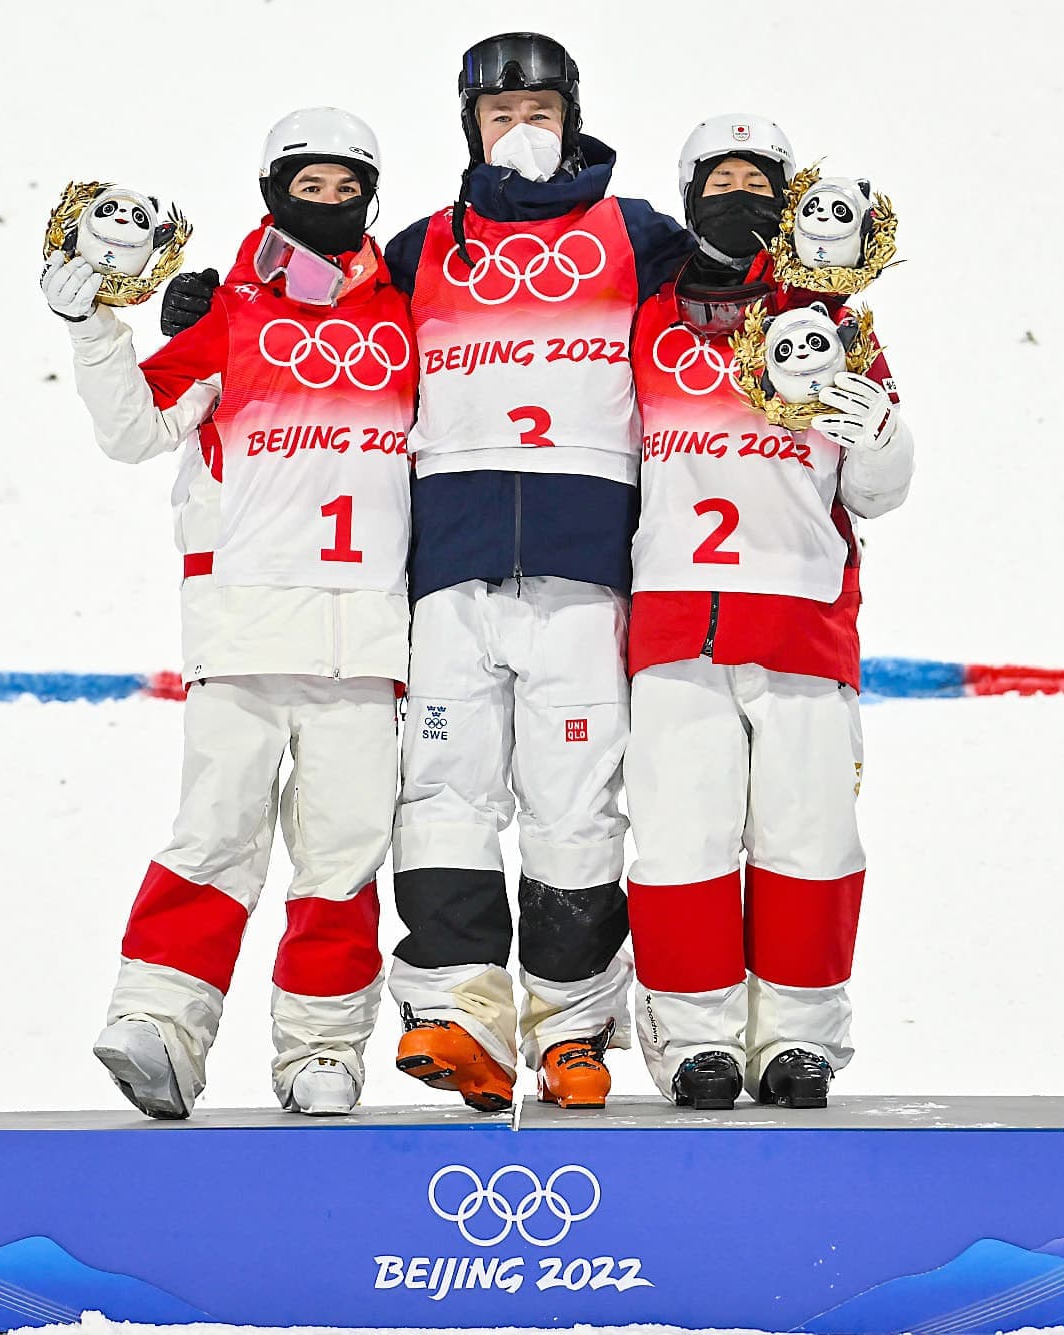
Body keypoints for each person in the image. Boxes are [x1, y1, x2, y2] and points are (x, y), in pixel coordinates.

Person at [40, 107, 416, 1118]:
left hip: (367, 637)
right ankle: (158, 1026)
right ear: (271, 195)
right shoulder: (226, 313)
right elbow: (132, 433)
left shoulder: (407, 314)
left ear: (370, 198)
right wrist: (94, 329)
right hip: (243, 623)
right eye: (308, 187)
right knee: (214, 833)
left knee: (343, 855)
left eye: (346, 189)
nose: (328, 203)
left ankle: (321, 1052)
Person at [377, 32, 694, 1112]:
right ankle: (456, 1012)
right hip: (452, 567)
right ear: (470, 128)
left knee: (575, 800)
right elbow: (322, 328)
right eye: (500, 116)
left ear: (572, 119)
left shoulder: (637, 235)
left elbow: (734, 301)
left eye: (540, 113)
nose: (521, 131)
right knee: (442, 789)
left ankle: (572, 1026)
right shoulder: (421, 248)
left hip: (582, 566)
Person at [623, 114, 916, 1109]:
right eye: (720, 181)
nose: (737, 197)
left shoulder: (830, 328)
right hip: (675, 629)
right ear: (689, 193)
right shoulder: (646, 320)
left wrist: (881, 433)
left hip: (800, 624)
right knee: (681, 845)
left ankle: (800, 1038)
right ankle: (693, 1040)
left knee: (810, 843)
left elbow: (875, 492)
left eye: (759, 183)